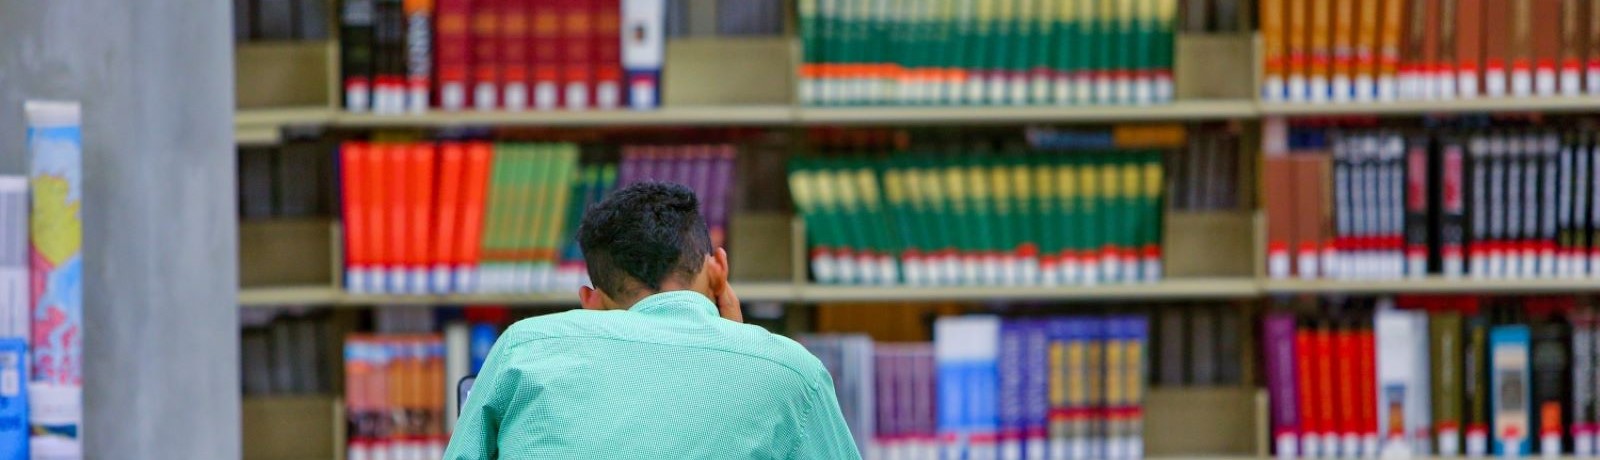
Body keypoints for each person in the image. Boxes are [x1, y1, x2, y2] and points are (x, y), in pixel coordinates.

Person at [443, 182, 862, 459]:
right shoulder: (790, 372)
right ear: (718, 270)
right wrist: (741, 343)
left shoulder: (526, 348)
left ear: (591, 303)